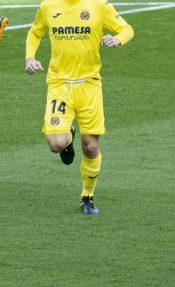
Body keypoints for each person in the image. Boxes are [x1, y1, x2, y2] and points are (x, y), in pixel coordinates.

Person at [25, 0, 134, 215]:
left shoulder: (99, 5)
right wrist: (30, 58)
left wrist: (118, 39)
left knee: (91, 147)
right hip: (59, 86)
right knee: (55, 144)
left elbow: (127, 28)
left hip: (90, 86)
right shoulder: (48, 6)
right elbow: (35, 32)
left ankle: (87, 196)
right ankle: (68, 138)